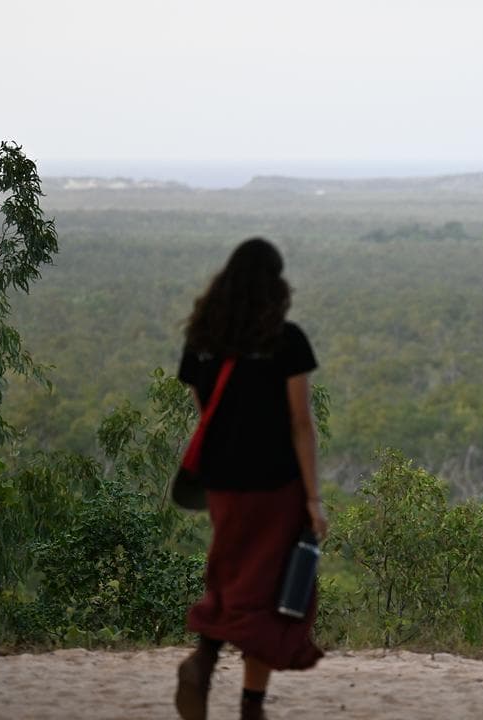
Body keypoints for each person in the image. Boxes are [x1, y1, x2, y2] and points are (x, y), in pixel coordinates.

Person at [173, 237, 328, 720]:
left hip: (224, 484)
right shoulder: (286, 340)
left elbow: (205, 413)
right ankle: (251, 706)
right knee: (267, 592)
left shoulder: (201, 342)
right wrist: (314, 499)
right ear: (276, 285)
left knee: (229, 573)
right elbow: (301, 423)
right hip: (276, 484)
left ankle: (204, 658)